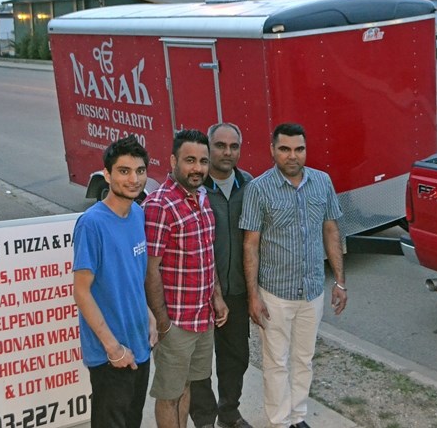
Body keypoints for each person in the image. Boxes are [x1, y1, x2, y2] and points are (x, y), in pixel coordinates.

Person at [240, 123, 348, 428]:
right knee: (276, 363)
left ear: (305, 150)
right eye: (285, 149)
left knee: (304, 359)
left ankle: (298, 416)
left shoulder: (322, 182)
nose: (292, 156)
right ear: (272, 150)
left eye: (299, 149)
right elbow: (251, 244)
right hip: (275, 293)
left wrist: (339, 281)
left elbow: (331, 230)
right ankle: (279, 421)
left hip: (312, 290)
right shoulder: (259, 189)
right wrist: (253, 296)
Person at [143, 129, 229, 428]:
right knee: (169, 394)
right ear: (172, 161)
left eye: (203, 161)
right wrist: (163, 322)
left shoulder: (201, 200)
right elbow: (149, 269)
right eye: (189, 160)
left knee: (187, 386)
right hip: (176, 323)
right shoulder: (159, 205)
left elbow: (207, 255)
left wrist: (216, 296)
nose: (198, 168)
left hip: (202, 318)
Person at [72, 135, 157, 428]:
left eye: (140, 170)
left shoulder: (137, 213)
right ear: (106, 175)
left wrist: (149, 317)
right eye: (124, 171)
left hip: (139, 346)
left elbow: (131, 277)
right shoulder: (92, 223)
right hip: (112, 355)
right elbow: (81, 292)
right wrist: (112, 348)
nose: (134, 179)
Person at [189, 123, 254, 428]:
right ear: (208, 148)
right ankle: (205, 419)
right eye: (220, 145)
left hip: (237, 290)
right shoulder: (195, 189)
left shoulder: (249, 185)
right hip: (199, 293)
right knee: (200, 364)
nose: (227, 152)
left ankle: (229, 410)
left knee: (236, 357)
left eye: (234, 146)